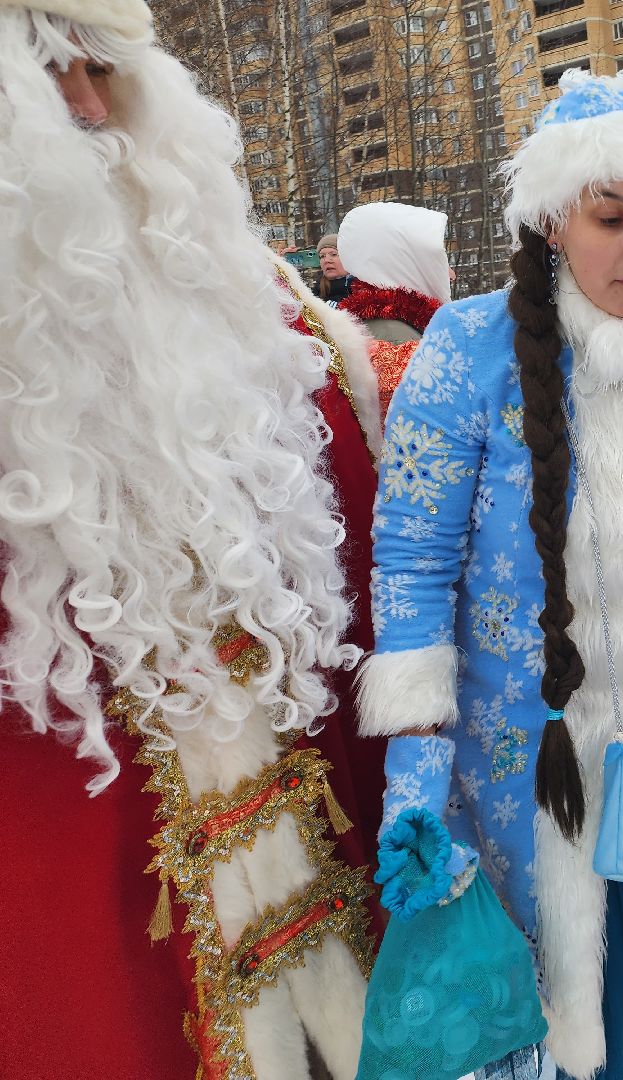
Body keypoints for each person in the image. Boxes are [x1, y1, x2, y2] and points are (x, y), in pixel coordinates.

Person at [356, 70, 623, 1080]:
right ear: (555, 218)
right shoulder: (467, 349)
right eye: (613, 217)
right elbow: (413, 564)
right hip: (516, 778)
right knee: (546, 1015)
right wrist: (416, 779)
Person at [0, 4, 383, 1077]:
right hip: (102, 939)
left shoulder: (260, 307)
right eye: (42, 74)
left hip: (327, 886)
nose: (81, 104)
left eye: (98, 69)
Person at [336, 200, 452, 417]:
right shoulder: (393, 338)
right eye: (439, 261)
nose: (450, 274)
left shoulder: (395, 321)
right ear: (405, 262)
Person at [317, 231, 354, 304]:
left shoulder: (368, 290)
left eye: (333, 254)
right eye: (322, 256)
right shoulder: (312, 296)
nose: (326, 260)